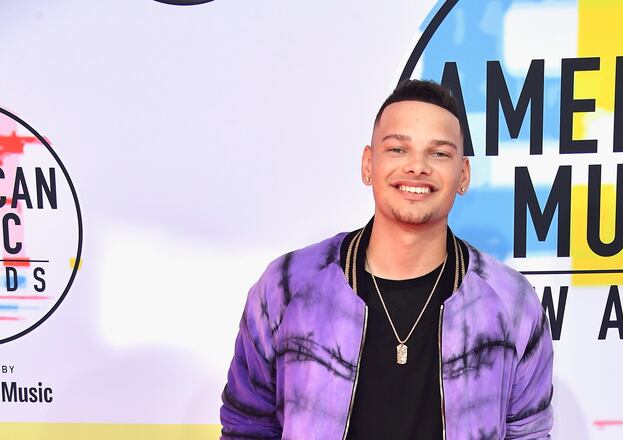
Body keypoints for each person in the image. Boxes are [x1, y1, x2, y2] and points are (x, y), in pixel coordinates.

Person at [220, 80, 553, 439]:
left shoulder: (511, 302)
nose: (417, 167)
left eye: (439, 154)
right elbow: (247, 426)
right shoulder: (288, 286)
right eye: (397, 149)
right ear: (368, 164)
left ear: (464, 174)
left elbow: (529, 434)